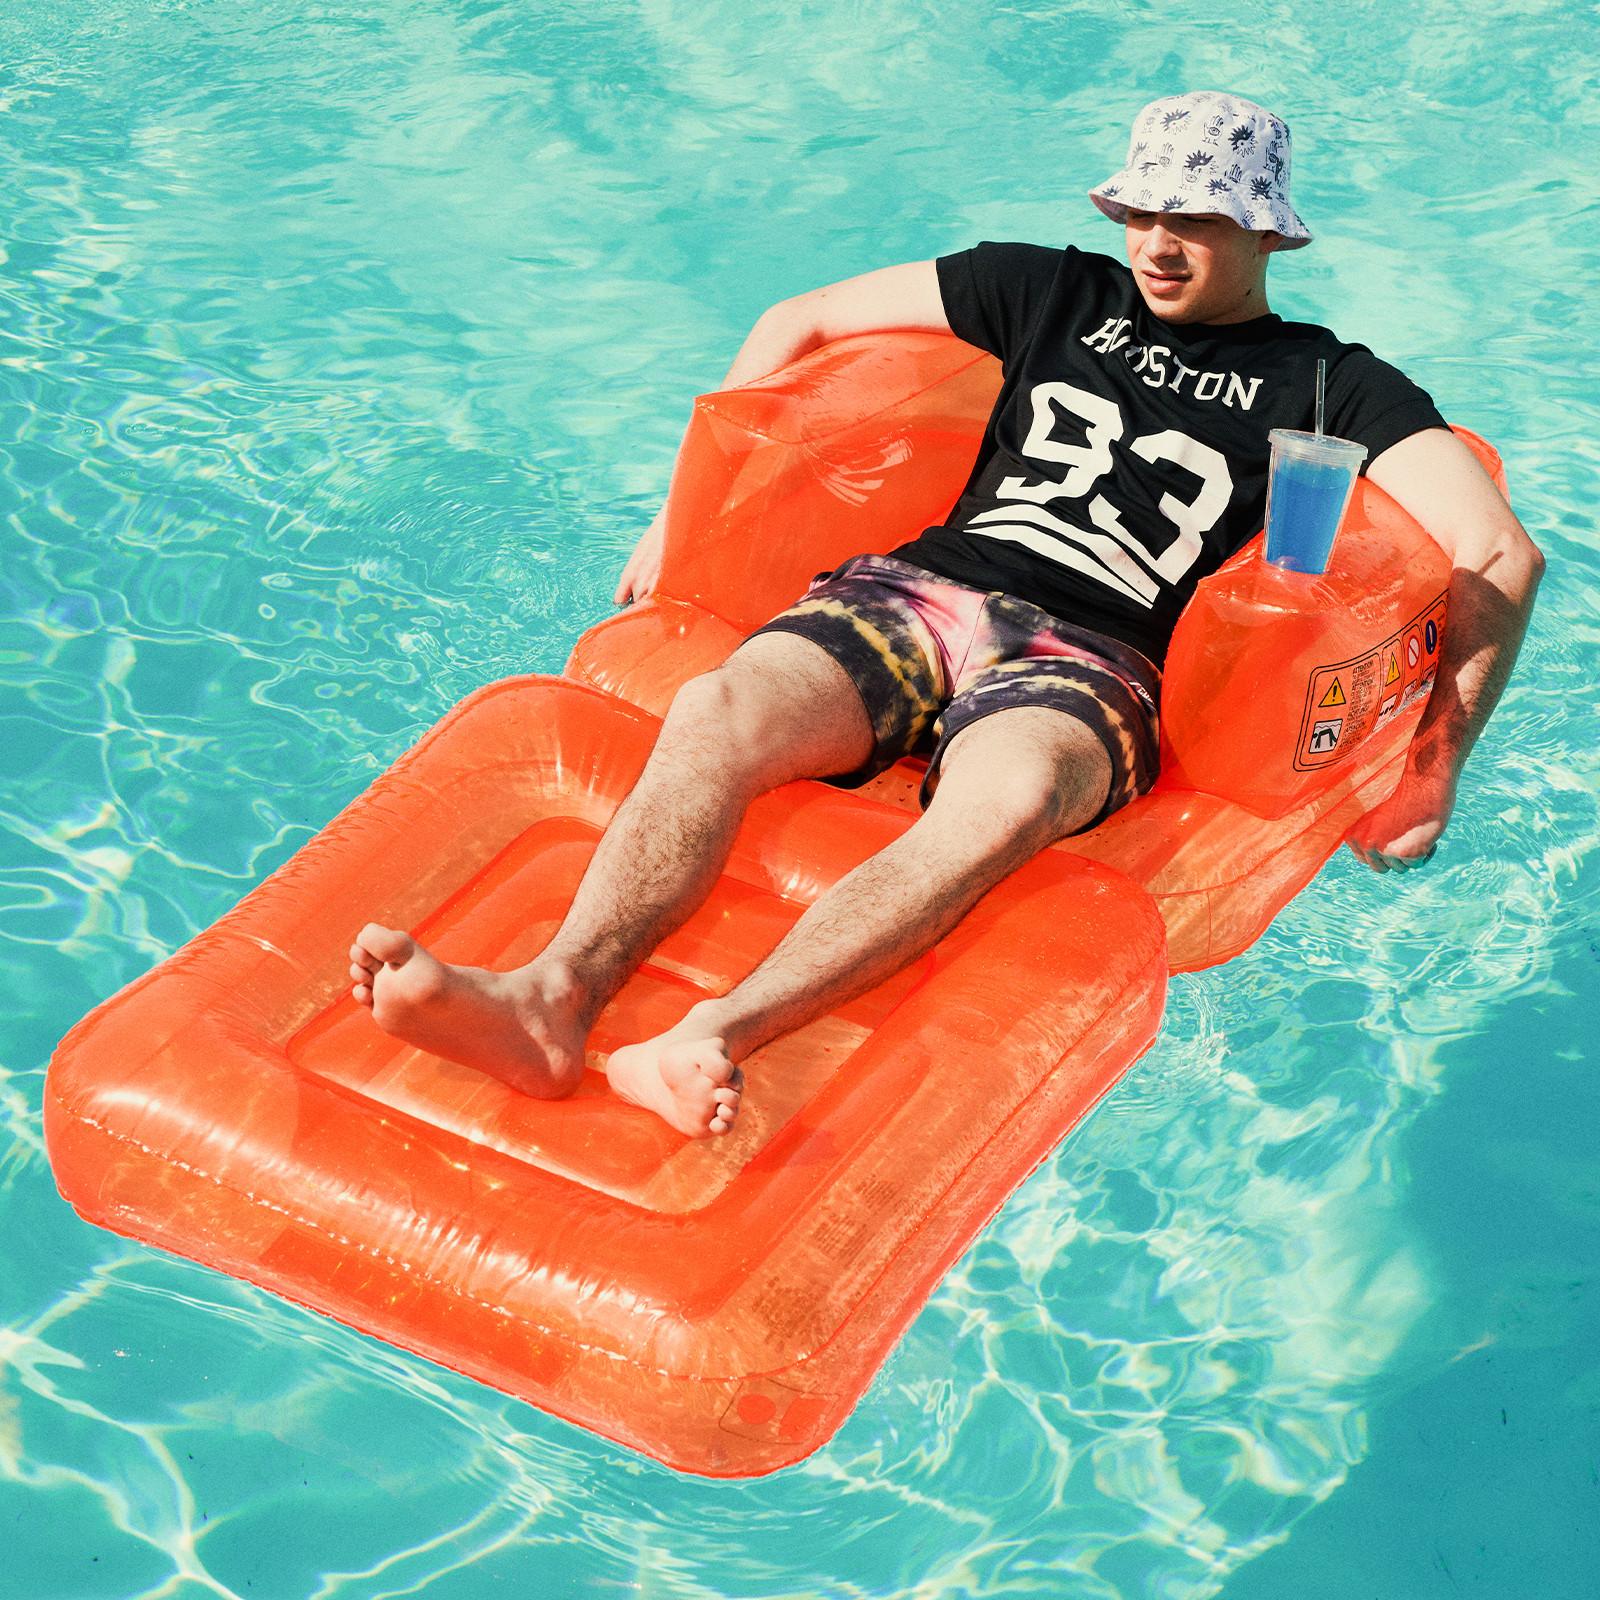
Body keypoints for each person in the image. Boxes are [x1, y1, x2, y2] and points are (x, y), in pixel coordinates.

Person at [347, 91, 1543, 1140]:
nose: (1159, 244)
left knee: (1007, 800)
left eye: (1198, 219)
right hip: (915, 596)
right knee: (718, 710)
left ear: (1268, 229)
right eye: (1142, 212)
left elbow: (1500, 550)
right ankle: (552, 999)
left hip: (1099, 657)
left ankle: (714, 1033)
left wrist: (1432, 771)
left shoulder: (1333, 383)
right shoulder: (1047, 287)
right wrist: (679, 519)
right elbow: (801, 320)